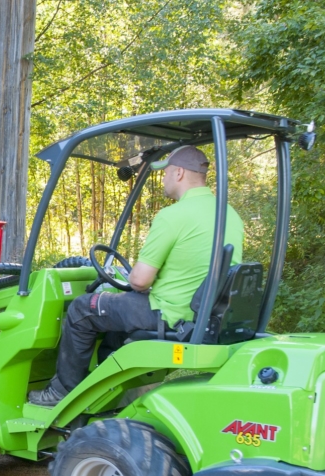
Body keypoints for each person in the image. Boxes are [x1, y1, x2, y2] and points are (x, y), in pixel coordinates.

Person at [28, 145, 244, 406]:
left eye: (165, 173)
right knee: (114, 315)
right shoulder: (229, 215)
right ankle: (111, 389)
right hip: (203, 315)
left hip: (169, 313)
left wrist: (134, 281)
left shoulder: (173, 216)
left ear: (178, 173)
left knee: (83, 309)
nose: (163, 179)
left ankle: (61, 393)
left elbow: (140, 280)